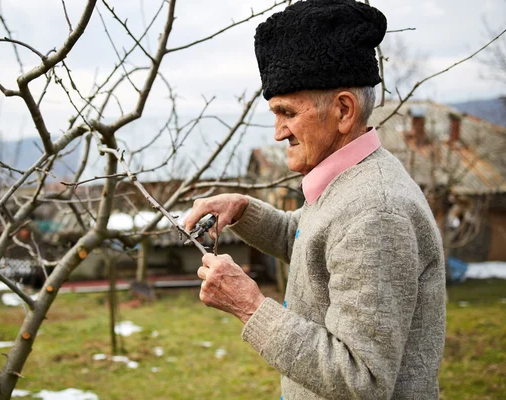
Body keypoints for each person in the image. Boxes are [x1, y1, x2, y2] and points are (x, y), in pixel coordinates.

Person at [183, 1, 446, 399]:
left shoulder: (377, 211)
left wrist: (251, 308)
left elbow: (362, 380)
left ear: (343, 110)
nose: (277, 133)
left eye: (287, 112)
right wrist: (244, 209)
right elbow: (313, 244)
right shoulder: (348, 182)